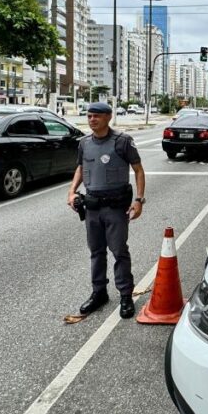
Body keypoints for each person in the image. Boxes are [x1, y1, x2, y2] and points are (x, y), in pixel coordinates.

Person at [67, 102, 146, 319]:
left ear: (108, 117)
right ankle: (99, 292)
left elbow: (138, 170)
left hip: (115, 207)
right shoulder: (84, 143)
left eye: (97, 116)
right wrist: (72, 191)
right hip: (92, 207)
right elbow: (81, 168)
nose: (92, 120)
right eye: (89, 116)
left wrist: (138, 200)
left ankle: (126, 295)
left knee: (119, 251)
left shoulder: (122, 142)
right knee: (96, 252)